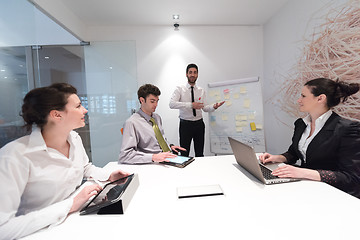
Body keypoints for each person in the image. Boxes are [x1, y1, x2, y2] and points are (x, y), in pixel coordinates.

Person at [0, 83, 130, 239]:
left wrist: (109, 176)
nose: (85, 110)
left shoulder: (74, 138)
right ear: (57, 115)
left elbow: (85, 168)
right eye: (78, 106)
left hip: (73, 223)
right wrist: (70, 205)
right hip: (39, 232)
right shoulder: (15, 155)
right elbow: (3, 228)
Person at [259, 78, 360, 198]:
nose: (299, 100)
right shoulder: (301, 124)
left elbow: (351, 177)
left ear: (320, 98)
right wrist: (277, 158)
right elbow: (294, 153)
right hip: (307, 187)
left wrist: (302, 172)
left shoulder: (347, 128)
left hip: (332, 193)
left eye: (303, 96)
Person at [119, 84, 185, 164]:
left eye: (157, 101)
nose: (156, 105)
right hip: (151, 163)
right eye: (152, 101)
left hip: (167, 158)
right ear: (142, 100)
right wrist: (153, 157)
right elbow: (125, 155)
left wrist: (169, 146)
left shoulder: (157, 118)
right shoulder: (132, 123)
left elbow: (159, 139)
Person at [169, 63, 225, 157]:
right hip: (185, 125)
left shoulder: (201, 90)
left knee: (199, 153)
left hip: (199, 125)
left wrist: (214, 106)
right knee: (184, 153)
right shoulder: (180, 89)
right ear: (186, 74)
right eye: (190, 72)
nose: (192, 75)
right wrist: (191, 105)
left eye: (195, 72)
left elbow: (205, 108)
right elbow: (171, 104)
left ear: (197, 74)